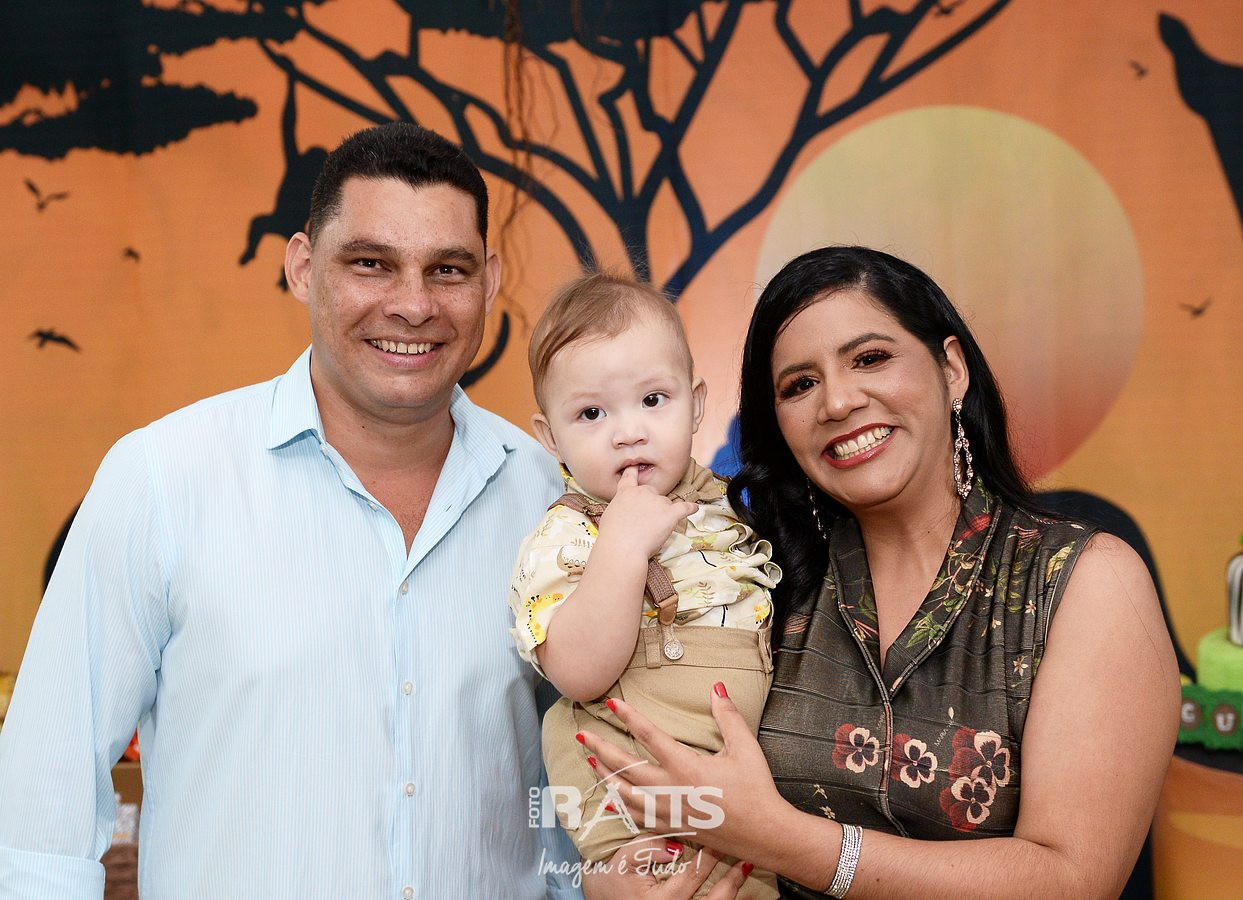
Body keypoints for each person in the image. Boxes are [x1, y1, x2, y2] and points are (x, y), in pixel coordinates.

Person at [0, 123, 579, 898]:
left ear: (490, 280)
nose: (413, 305)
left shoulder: (550, 499)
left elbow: (581, 785)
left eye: (447, 269)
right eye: (370, 263)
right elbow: (45, 799)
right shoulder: (163, 480)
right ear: (303, 268)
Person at [576, 246, 1181, 898]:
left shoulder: (1080, 582)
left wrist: (781, 838)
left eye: (869, 358)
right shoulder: (751, 575)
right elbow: (636, 749)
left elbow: (1073, 881)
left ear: (951, 369)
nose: (836, 402)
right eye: (799, 385)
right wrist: (609, 878)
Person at [510, 273, 781, 898]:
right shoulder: (568, 536)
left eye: (653, 400)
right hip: (632, 799)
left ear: (697, 404)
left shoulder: (731, 508)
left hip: (742, 785)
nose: (628, 431)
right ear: (550, 437)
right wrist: (622, 549)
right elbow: (578, 673)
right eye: (591, 413)